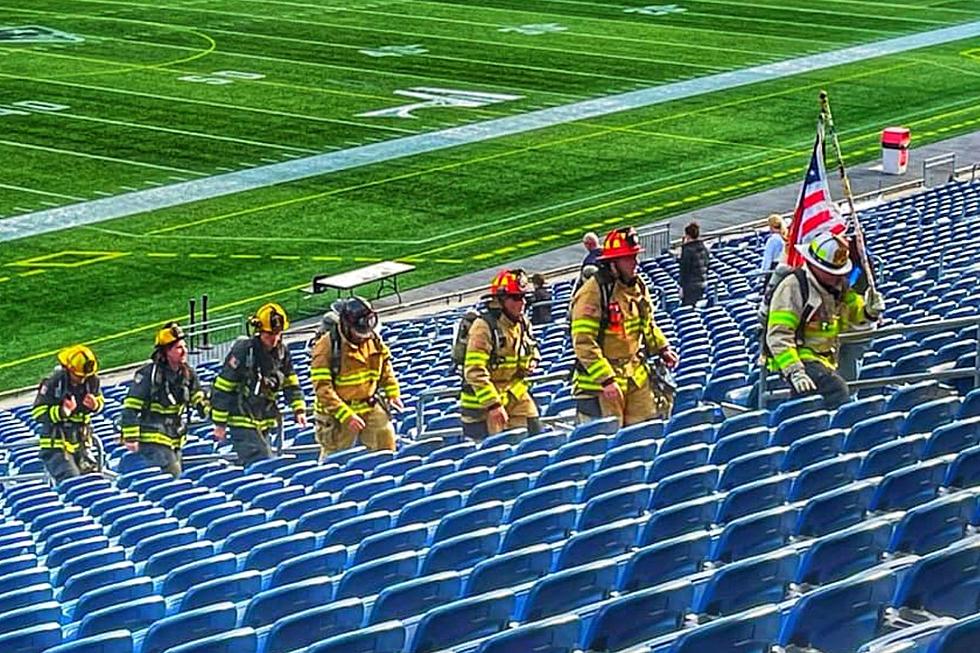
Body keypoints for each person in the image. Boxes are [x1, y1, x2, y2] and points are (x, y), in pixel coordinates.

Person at [570, 227, 679, 426]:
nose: (635, 263)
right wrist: (606, 380)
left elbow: (647, 324)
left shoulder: (638, 286)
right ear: (613, 263)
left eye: (635, 256)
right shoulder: (592, 293)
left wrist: (663, 348)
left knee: (645, 432)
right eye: (629, 258)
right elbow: (584, 342)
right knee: (610, 442)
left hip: (636, 375)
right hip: (603, 385)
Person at [766, 231, 885, 409]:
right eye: (832, 272)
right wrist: (794, 371)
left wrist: (869, 312)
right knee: (836, 391)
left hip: (826, 359)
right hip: (799, 357)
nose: (838, 276)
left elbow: (853, 319)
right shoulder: (793, 287)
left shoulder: (839, 286)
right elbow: (778, 335)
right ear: (816, 266)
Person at [211, 303, 306, 466]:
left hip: (265, 420)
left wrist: (299, 409)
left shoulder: (282, 352)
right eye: (269, 334)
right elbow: (223, 387)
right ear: (259, 331)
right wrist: (220, 424)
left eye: (278, 334)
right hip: (243, 420)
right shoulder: (244, 351)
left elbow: (291, 382)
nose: (274, 339)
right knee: (263, 463)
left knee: (256, 467)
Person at [311, 296, 402, 458]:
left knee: (386, 448)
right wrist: (346, 415)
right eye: (359, 334)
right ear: (346, 326)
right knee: (336, 460)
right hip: (338, 413)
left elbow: (385, 366)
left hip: (370, 405)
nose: (363, 337)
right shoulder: (325, 347)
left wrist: (392, 392)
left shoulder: (372, 338)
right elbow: (323, 390)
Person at [461, 269, 541, 440]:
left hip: (515, 394)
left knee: (535, 436)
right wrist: (493, 405)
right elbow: (474, 371)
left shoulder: (522, 322)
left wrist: (532, 360)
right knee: (498, 452)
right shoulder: (483, 327)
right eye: (516, 298)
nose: (522, 303)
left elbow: (532, 348)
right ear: (500, 301)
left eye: (523, 298)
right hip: (484, 406)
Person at [120, 322, 209, 476]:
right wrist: (131, 438)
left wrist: (207, 409)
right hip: (154, 438)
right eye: (179, 348)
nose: (184, 351)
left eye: (184, 346)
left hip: (175, 437)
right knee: (173, 474)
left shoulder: (188, 374)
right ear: (166, 352)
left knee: (176, 474)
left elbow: (197, 397)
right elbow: (130, 407)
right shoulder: (148, 375)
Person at [31, 345, 104, 482]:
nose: (82, 380)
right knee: (71, 481)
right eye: (78, 376)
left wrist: (96, 405)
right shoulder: (53, 383)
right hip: (57, 444)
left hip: (81, 442)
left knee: (93, 481)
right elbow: (38, 413)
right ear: (69, 369)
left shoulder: (92, 380)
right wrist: (63, 411)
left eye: (85, 376)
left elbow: (100, 400)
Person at [678, 221, 710, 306]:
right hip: (703, 282)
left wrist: (682, 287)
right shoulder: (704, 248)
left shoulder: (688, 251)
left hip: (690, 287)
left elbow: (684, 271)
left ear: (687, 235)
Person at [760, 214, 788, 288]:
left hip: (774, 268)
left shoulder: (772, 240)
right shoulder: (785, 238)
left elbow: (767, 259)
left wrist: (762, 275)